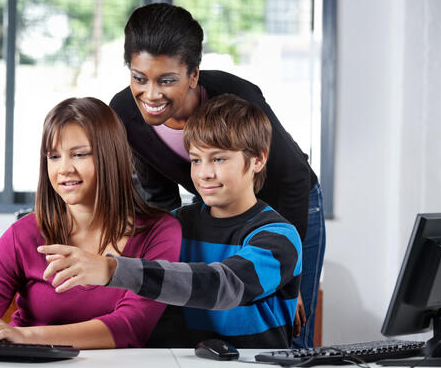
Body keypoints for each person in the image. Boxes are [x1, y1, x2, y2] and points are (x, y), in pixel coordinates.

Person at [108, 2, 325, 348]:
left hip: (290, 203)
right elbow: (159, 197)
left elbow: (293, 180)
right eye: (139, 78)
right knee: (209, 316)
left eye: (167, 80)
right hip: (212, 202)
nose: (150, 94)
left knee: (287, 321)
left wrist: (290, 285)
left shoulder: (237, 97)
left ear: (193, 75)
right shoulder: (124, 113)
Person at [39, 94, 302, 349]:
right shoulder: (173, 226)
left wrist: (110, 269)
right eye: (196, 160)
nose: (204, 174)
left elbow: (224, 286)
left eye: (219, 159)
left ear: (258, 159)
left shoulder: (279, 237)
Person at [0, 97, 181, 349]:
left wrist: (27, 337)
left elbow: (132, 327)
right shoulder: (22, 234)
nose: (63, 169)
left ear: (111, 157)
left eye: (78, 154)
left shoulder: (160, 232)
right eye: (53, 157)